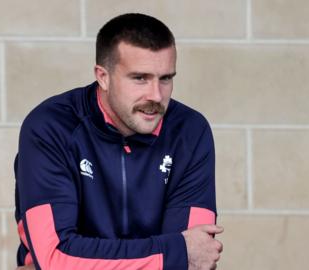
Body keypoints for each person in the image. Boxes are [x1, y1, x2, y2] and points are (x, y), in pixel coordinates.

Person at [14, 13, 223, 270]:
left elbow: (196, 259)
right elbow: (54, 258)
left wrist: (177, 255)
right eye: (140, 78)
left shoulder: (190, 131)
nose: (156, 95)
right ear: (103, 76)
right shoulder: (51, 127)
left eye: (166, 78)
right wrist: (172, 253)